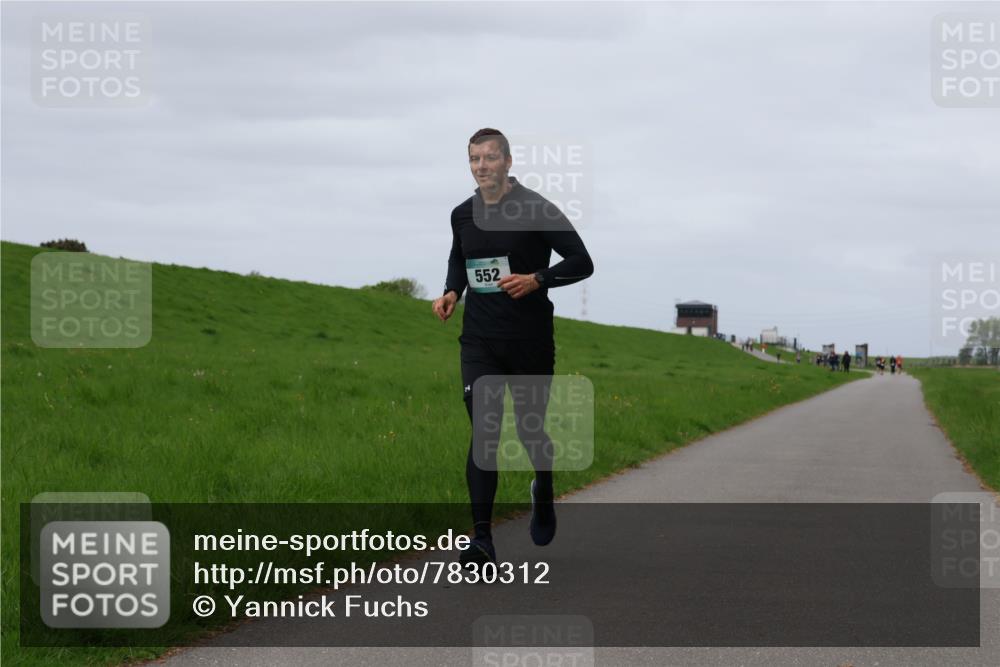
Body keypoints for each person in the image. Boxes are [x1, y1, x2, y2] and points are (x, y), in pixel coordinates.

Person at [432, 128, 593, 566]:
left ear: (507, 161)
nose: (481, 166)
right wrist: (451, 291)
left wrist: (537, 278)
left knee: (529, 431)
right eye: (474, 159)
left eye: (489, 158)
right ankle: (481, 541)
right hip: (479, 340)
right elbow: (459, 258)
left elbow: (582, 262)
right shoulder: (461, 215)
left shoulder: (536, 208)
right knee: (485, 433)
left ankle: (543, 484)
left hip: (529, 341)